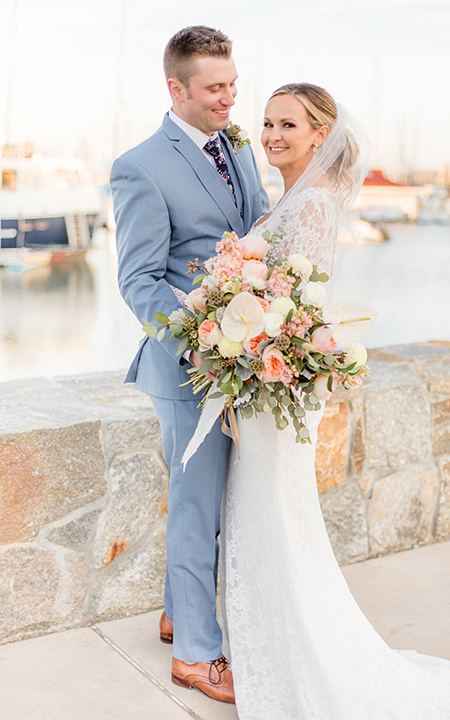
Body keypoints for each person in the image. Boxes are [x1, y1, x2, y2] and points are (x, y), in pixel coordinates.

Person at [220, 83, 450, 719]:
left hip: (275, 387)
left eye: (289, 125)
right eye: (268, 123)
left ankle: (309, 663)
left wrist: (238, 349)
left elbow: (293, 312)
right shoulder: (295, 199)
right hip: (266, 385)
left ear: (319, 134)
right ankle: (273, 650)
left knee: (278, 516)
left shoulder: (309, 207)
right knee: (270, 517)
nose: (274, 135)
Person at [110, 25, 268, 703]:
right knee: (197, 508)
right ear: (176, 88)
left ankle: (181, 612)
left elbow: (257, 225)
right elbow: (139, 281)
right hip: (186, 371)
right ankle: (198, 656)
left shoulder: (237, 144)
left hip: (244, 360)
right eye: (214, 89)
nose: (230, 99)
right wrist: (200, 339)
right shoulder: (140, 165)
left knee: (220, 506)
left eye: (232, 84)